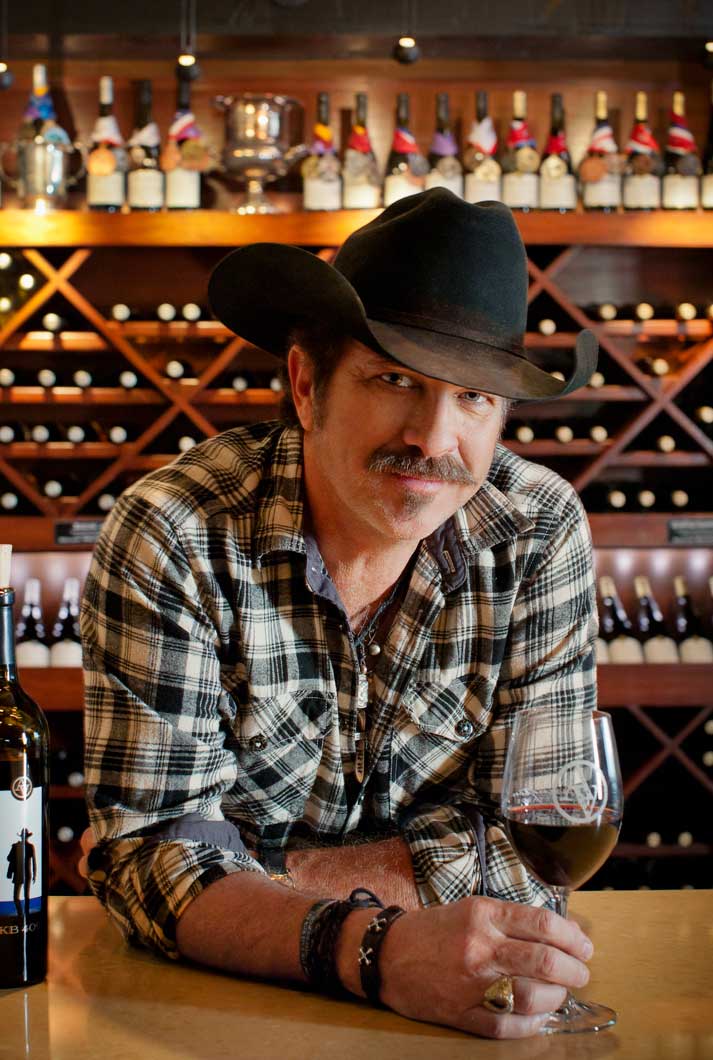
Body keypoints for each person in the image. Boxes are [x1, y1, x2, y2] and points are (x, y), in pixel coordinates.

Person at [80, 188, 599, 1039]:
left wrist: (250, 881)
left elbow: (537, 846)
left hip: (458, 1004)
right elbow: (151, 864)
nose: (434, 437)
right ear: (304, 383)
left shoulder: (538, 531)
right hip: (210, 1018)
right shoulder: (176, 532)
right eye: (393, 379)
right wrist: (382, 948)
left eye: (473, 397)